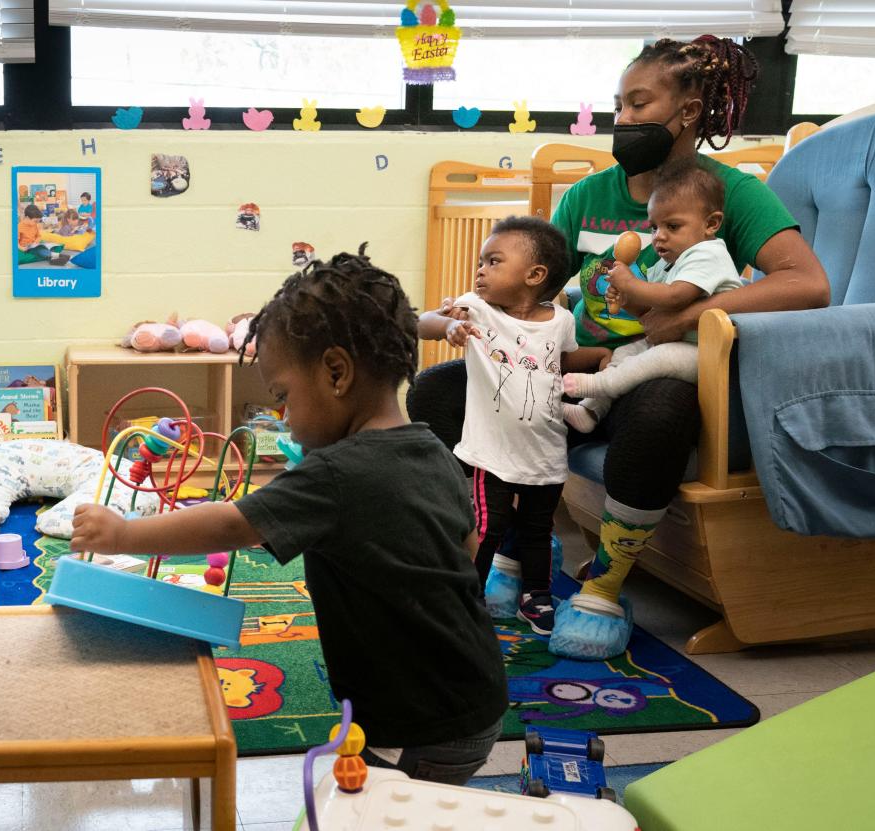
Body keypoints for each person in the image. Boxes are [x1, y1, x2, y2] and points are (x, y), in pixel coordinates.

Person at [73, 246, 509, 786]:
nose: (281, 416)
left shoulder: (334, 475)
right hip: (477, 689)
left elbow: (232, 522)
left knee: (383, 810)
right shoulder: (431, 448)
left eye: (282, 396)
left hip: (418, 721)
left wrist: (123, 534)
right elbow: (467, 546)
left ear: (336, 372)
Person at [538, 35, 829, 658]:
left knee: (665, 399)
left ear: (688, 112)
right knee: (447, 386)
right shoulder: (587, 195)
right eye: (619, 104)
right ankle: (519, 549)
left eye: (640, 105)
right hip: (585, 369)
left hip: (657, 380)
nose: (623, 120)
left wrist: (692, 312)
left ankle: (604, 589)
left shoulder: (728, 194)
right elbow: (537, 286)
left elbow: (808, 283)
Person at [418, 217, 608, 635]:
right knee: (487, 527)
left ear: (534, 275)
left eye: (493, 260)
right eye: (482, 261)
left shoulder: (560, 320)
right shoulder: (479, 309)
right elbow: (423, 322)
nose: (480, 269)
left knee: (539, 529)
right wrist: (449, 325)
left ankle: (536, 594)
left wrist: (602, 356)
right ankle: (466, 599)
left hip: (544, 449)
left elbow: (561, 360)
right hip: (491, 451)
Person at [562, 158, 744, 433]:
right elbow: (652, 315)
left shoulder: (709, 254)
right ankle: (590, 409)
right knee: (625, 352)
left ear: (711, 223)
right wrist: (628, 300)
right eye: (654, 227)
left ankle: (598, 385)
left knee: (657, 358)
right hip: (679, 343)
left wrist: (631, 283)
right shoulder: (665, 264)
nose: (659, 237)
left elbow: (675, 297)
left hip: (711, 355)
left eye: (672, 227)